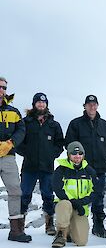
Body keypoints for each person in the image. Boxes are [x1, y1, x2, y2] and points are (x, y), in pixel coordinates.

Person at [65, 95, 106, 238]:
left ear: (97, 106)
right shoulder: (76, 124)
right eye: (89, 104)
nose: (92, 107)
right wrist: (77, 160)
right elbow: (69, 144)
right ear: (85, 106)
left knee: (98, 197)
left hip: (100, 168)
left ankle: (98, 225)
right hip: (80, 169)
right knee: (77, 196)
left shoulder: (105, 125)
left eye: (94, 104)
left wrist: (105, 154)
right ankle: (72, 227)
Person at [16, 93, 64, 236]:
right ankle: (19, 225)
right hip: (29, 167)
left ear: (46, 105)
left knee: (48, 195)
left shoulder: (53, 125)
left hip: (47, 167)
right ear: (34, 104)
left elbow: (60, 143)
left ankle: (49, 225)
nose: (41, 105)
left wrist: (51, 155)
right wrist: (28, 153)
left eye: (43, 103)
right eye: (38, 103)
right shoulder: (25, 122)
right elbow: (18, 142)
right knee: (24, 195)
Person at [0, 77, 31, 242]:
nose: (1, 90)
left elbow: (21, 130)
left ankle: (16, 231)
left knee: (15, 191)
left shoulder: (13, 111)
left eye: (4, 87)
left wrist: (11, 143)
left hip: (8, 157)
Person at [51, 141, 97, 247]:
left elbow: (95, 191)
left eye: (80, 153)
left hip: (80, 208)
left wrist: (82, 202)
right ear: (68, 155)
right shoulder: (61, 170)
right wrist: (74, 202)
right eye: (74, 153)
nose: (77, 156)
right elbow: (58, 189)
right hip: (66, 205)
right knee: (64, 204)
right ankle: (61, 234)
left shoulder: (89, 171)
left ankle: (71, 232)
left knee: (81, 242)